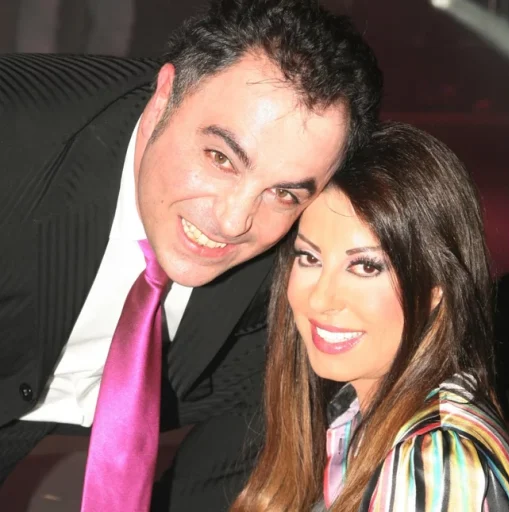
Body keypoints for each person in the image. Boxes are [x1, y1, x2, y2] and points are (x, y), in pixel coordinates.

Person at [0, 1, 382, 510]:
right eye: (221, 158)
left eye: (283, 193)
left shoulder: (290, 269)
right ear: (163, 98)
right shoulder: (13, 137)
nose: (233, 221)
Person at [231, 122, 509, 512]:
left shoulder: (434, 461)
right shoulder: (354, 416)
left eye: (365, 267)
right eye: (309, 257)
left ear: (435, 290)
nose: (321, 299)